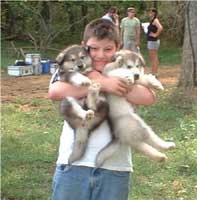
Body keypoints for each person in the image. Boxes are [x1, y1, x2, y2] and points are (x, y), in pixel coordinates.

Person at [49, 18, 156, 200]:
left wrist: (116, 83)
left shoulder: (126, 69)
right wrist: (104, 83)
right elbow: (55, 91)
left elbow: (148, 97)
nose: (100, 55)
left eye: (108, 49)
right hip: (73, 165)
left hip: (115, 167)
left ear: (118, 47)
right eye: (93, 48)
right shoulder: (74, 67)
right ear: (84, 46)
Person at [147, 8, 163, 75]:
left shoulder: (155, 20)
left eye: (150, 12)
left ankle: (154, 73)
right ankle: (153, 72)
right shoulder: (151, 20)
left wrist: (155, 34)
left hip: (153, 41)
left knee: (154, 57)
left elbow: (160, 28)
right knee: (152, 57)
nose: (149, 13)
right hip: (151, 41)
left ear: (154, 13)